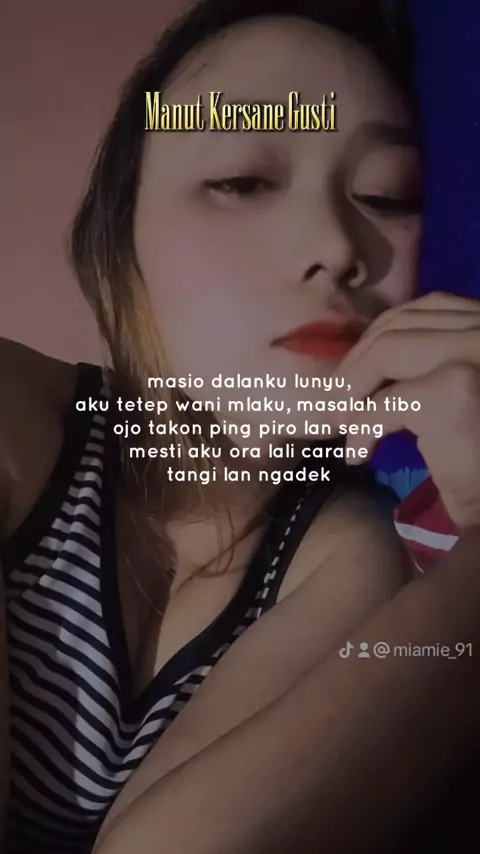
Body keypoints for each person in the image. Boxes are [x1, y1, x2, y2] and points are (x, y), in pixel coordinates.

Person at [1, 0, 480, 851]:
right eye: (243, 180)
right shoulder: (14, 414)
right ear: (122, 239)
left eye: (387, 195)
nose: (337, 245)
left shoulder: (355, 556)